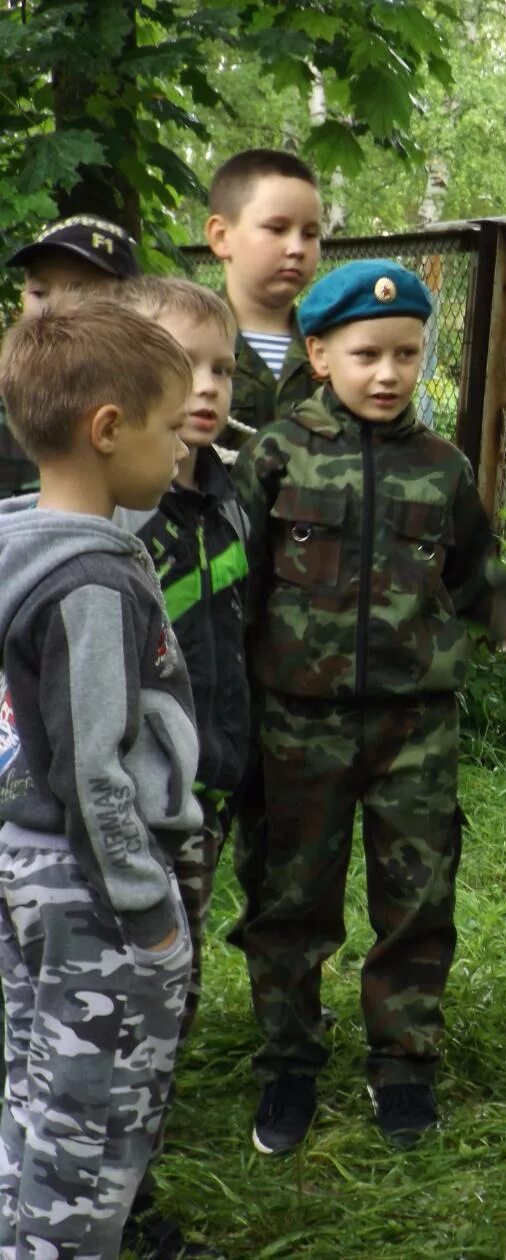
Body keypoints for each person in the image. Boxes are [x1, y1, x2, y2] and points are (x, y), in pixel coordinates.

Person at [234, 259, 506, 1154]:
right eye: (367, 353)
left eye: (406, 354)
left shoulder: (441, 466)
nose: (387, 372)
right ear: (320, 353)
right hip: (298, 723)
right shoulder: (274, 455)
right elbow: (241, 591)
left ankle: (404, 1066)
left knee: (418, 897)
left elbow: (475, 569)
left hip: (417, 726)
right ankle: (289, 1064)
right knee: (290, 899)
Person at [0, 299, 199, 1257]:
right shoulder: (91, 582)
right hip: (92, 892)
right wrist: (146, 910)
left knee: (34, 1089)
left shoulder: (16, 548)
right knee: (95, 1131)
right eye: (172, 428)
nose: (183, 453)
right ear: (108, 430)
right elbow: (95, 768)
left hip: (19, 865)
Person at [110, 278, 245, 1258]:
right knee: (120, 1004)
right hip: (128, 813)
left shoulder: (230, 503)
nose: (205, 387)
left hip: (208, 798)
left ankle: (127, 1179)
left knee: (173, 996)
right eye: (180, 364)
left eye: (224, 368)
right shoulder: (114, 519)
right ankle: (109, 1205)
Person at [1, 216, 143, 497]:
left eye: (80, 296)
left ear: (131, 308)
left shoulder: (155, 412)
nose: (52, 311)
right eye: (40, 293)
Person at [203, 148, 322, 450]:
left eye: (310, 233)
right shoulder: (184, 343)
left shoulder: (334, 348)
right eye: (277, 229)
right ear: (221, 236)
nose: (296, 248)